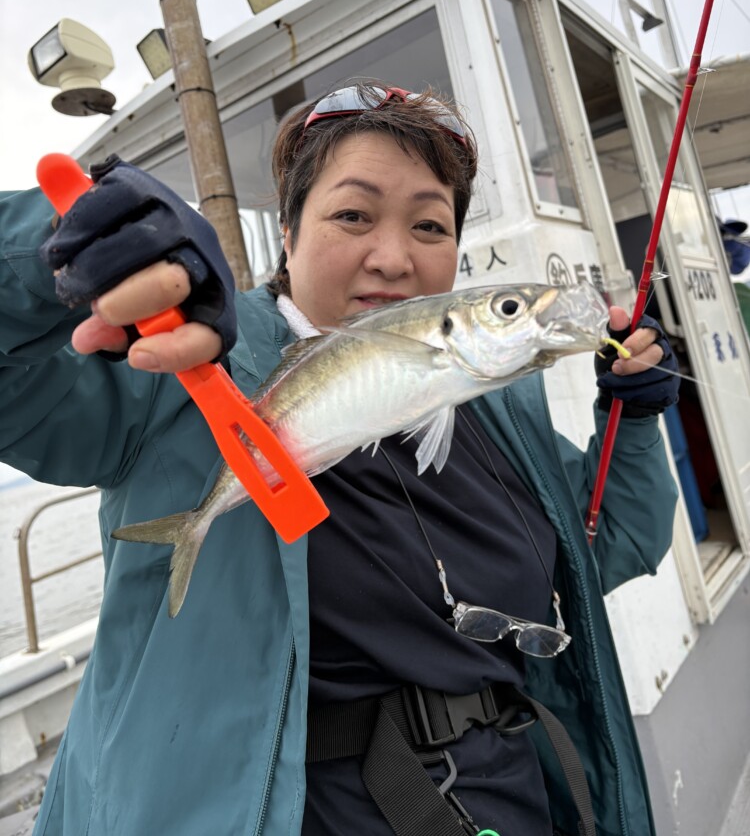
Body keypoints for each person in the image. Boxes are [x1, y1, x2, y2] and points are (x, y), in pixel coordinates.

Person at [0, 81, 680, 836]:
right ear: (286, 231)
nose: (392, 257)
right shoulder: (182, 366)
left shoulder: (493, 404)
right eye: (352, 214)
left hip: (513, 800)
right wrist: (55, 249)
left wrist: (635, 419)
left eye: (430, 224)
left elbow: (609, 548)